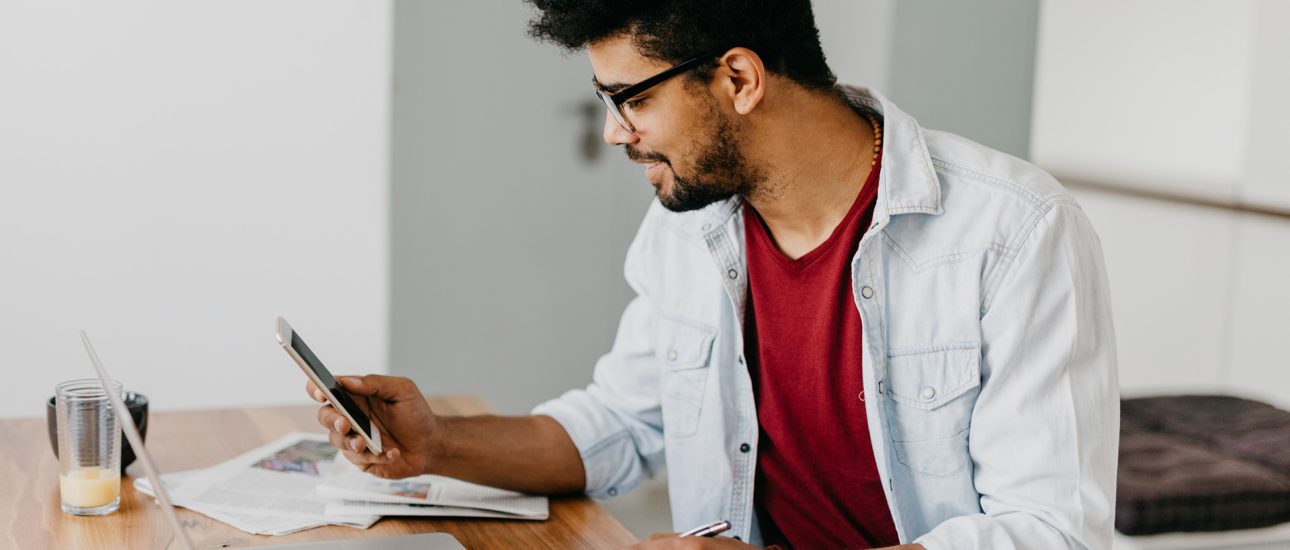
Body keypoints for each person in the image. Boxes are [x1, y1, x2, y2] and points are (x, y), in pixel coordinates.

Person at [308, 1, 1120, 548]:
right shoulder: (692, 226)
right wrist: (438, 444)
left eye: (629, 99)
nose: (614, 132)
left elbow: (1050, 530)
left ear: (739, 78)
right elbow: (623, 425)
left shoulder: (1013, 232)